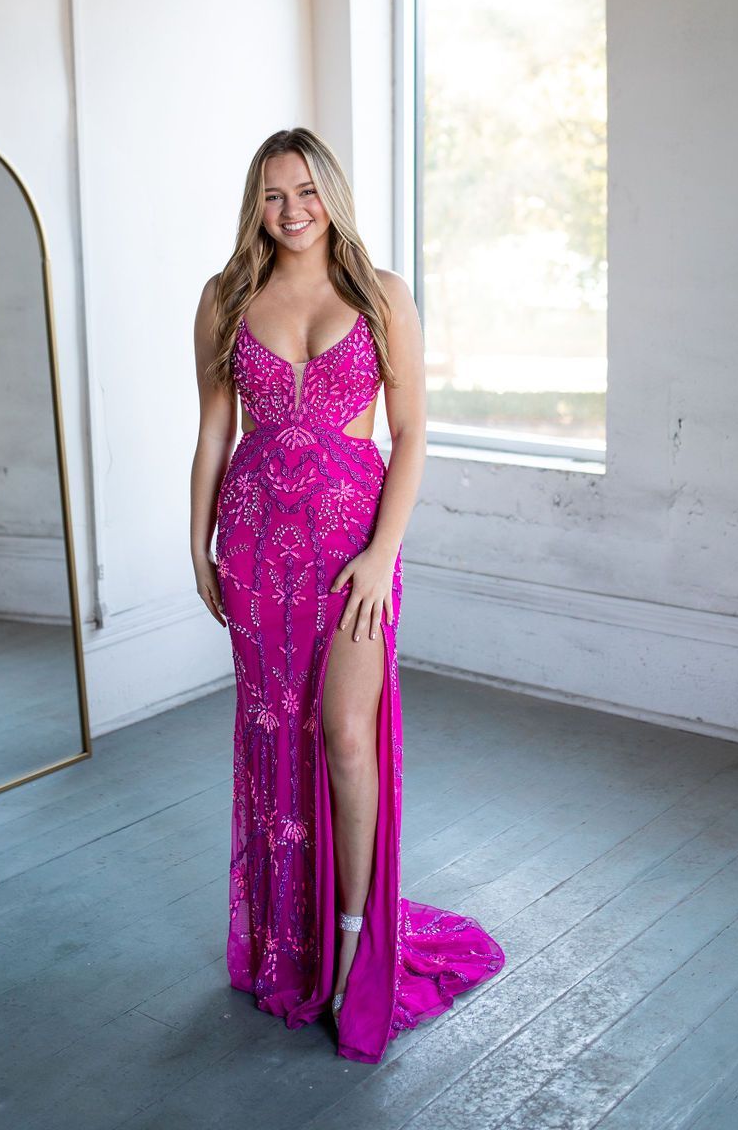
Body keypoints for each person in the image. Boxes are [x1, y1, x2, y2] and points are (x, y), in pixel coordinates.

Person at [190, 126, 504, 1064]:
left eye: (306, 192)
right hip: (252, 539)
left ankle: (357, 939)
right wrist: (198, 542)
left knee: (345, 735)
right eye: (273, 195)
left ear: (331, 193)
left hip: (351, 543)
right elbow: (213, 430)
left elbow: (408, 434)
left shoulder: (381, 295)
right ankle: (287, 937)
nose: (291, 212)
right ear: (257, 202)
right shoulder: (225, 298)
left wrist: (382, 554)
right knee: (273, 732)